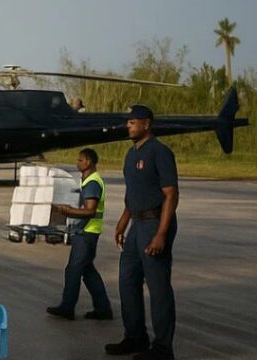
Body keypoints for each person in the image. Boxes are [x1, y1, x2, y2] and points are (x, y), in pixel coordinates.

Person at [105, 105, 179, 360]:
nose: (129, 126)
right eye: (128, 122)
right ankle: (135, 337)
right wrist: (123, 222)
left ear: (147, 124)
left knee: (158, 287)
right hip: (136, 224)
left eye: (133, 122)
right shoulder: (130, 153)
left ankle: (162, 348)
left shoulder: (159, 152)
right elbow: (132, 193)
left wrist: (161, 234)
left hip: (155, 223)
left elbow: (171, 195)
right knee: (127, 281)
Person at [46, 148, 113, 320]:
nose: (77, 163)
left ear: (89, 162)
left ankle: (67, 307)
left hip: (86, 232)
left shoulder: (92, 183)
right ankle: (103, 308)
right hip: (87, 231)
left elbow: (90, 211)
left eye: (80, 160)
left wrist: (68, 211)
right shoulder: (88, 180)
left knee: (73, 270)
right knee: (87, 270)